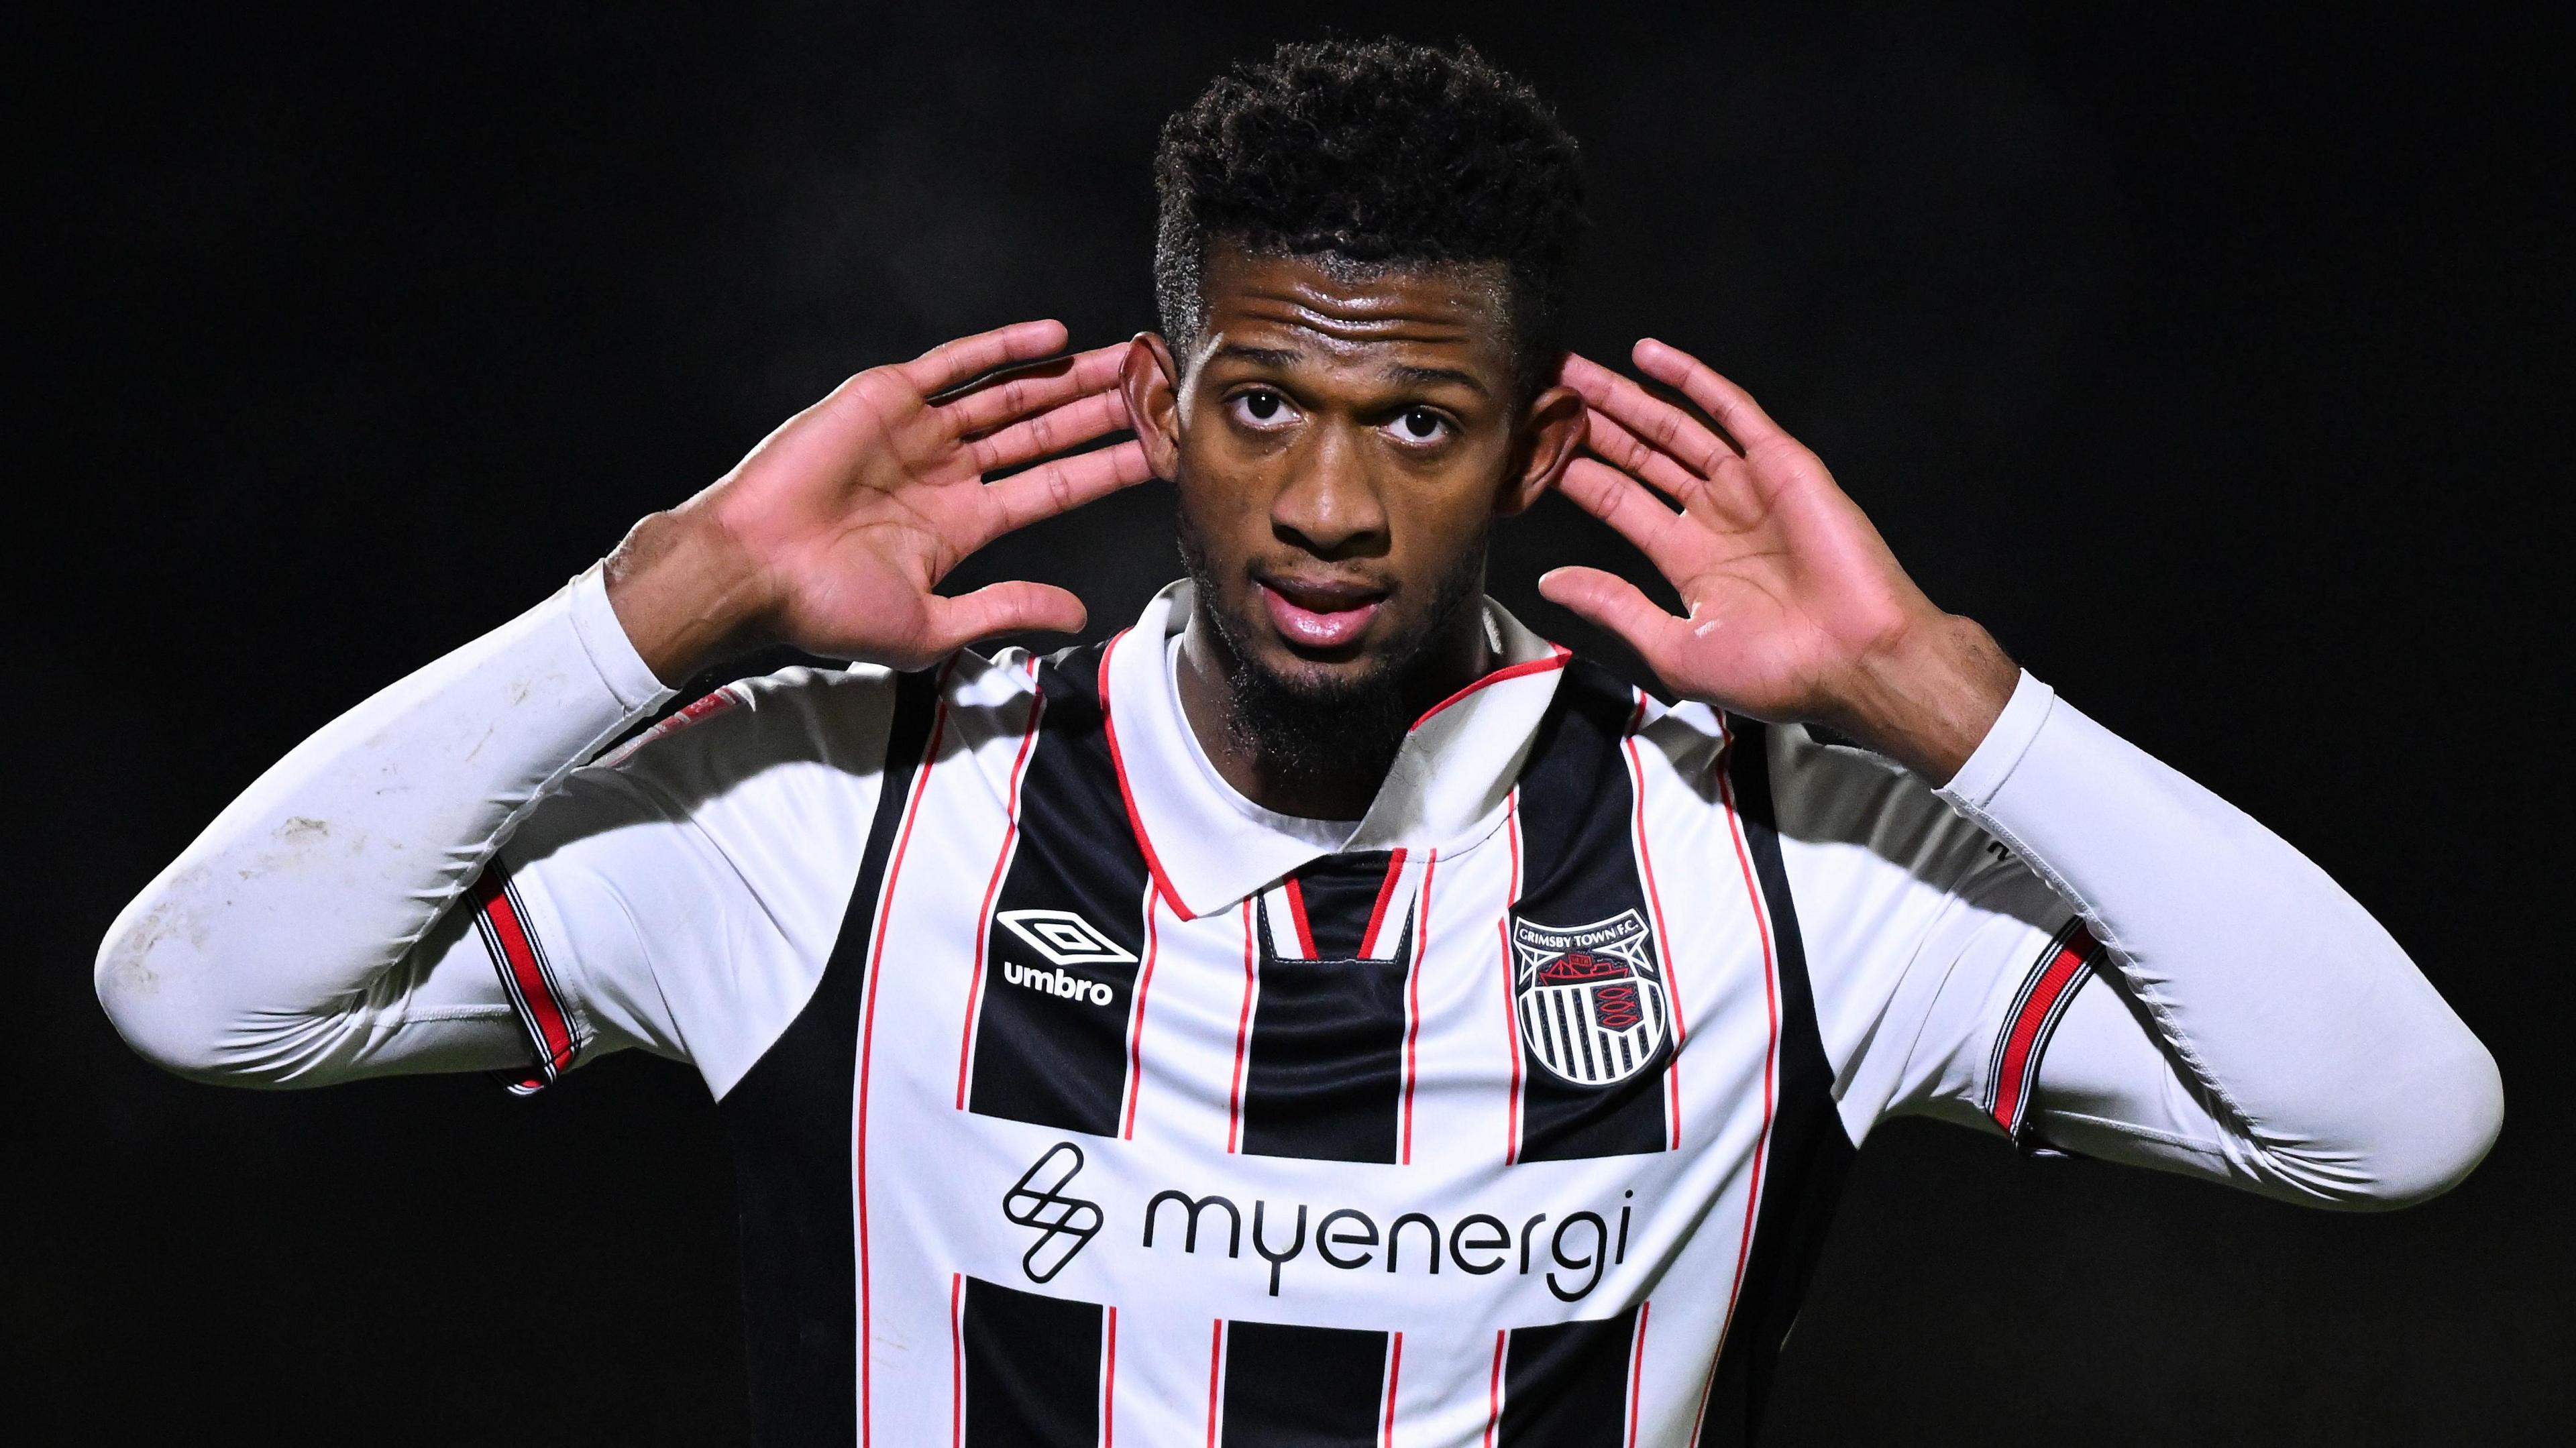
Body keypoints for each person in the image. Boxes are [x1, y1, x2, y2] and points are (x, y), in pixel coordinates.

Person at [96, 37, 2498, 1447]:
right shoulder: (842, 811)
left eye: (1421, 420)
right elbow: (200, 994)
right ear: (1160, 408)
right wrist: (662, 603)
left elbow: (2399, 1125)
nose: (1333, 502)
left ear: (1537, 450)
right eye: (1265, 400)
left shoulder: (1783, 862)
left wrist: (1957, 705)